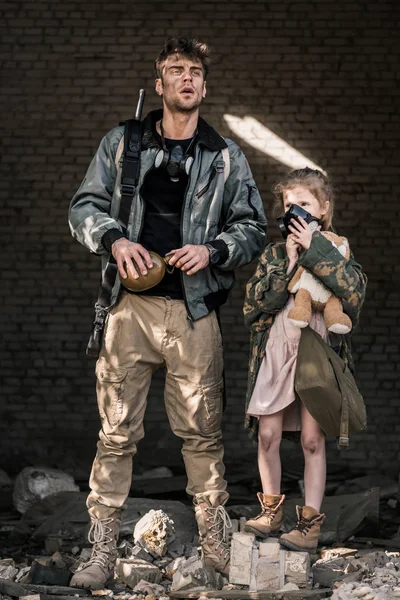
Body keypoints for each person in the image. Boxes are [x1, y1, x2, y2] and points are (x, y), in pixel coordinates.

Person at [68, 36, 267, 587]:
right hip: (128, 307)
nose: (185, 78)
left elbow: (253, 227)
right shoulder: (122, 143)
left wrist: (213, 250)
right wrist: (112, 239)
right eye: (175, 70)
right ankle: (101, 552)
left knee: (202, 434)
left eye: (194, 71)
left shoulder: (225, 157)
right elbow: (83, 205)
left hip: (194, 310)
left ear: (203, 85)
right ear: (158, 84)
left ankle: (215, 547)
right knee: (115, 433)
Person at [242, 167, 367, 552]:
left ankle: (309, 524)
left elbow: (354, 295)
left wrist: (316, 249)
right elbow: (254, 306)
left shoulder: (338, 250)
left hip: (315, 354)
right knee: (267, 434)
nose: (295, 211)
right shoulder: (275, 255)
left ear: (323, 208)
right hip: (278, 351)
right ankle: (271, 511)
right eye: (288, 204)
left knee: (313, 441)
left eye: (305, 203)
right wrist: (293, 261)